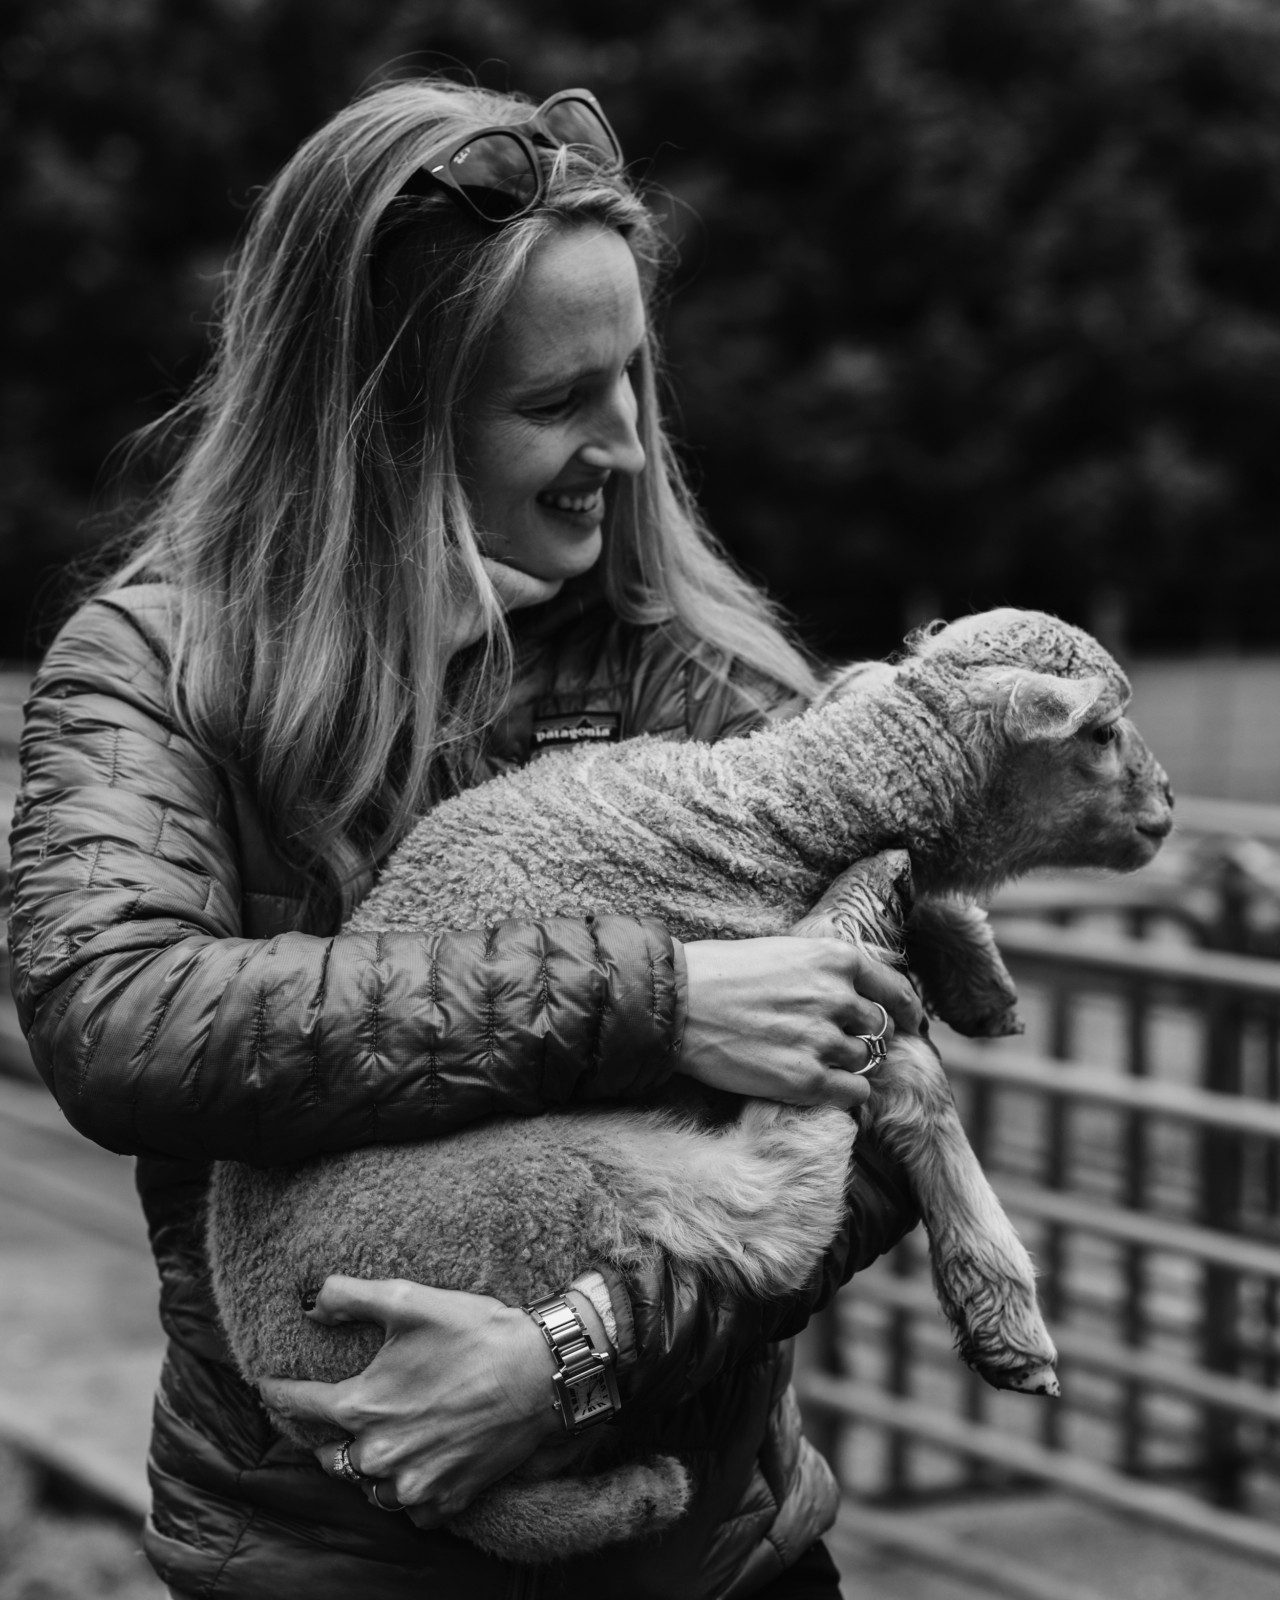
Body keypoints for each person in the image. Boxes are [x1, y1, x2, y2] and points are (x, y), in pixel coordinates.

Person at [8, 79, 923, 1599]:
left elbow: (883, 1108)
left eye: (633, 380)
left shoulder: (687, 665)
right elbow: (116, 1019)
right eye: (556, 402)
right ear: (371, 418)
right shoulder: (157, 663)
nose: (626, 445)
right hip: (316, 1561)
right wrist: (661, 1002)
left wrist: (583, 1357)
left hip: (708, 1564)